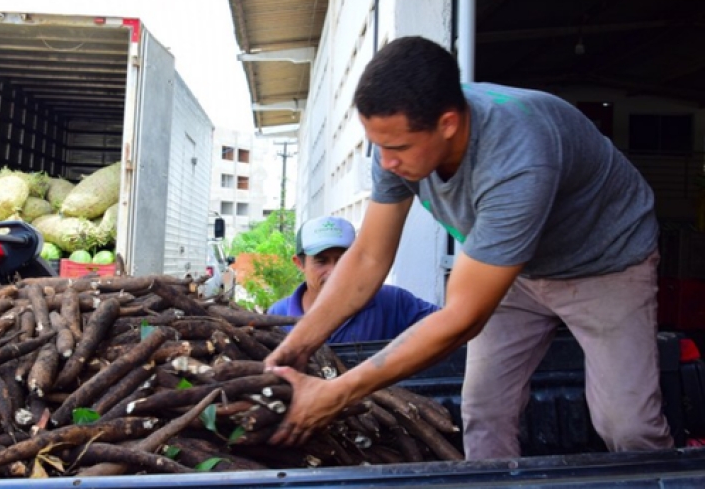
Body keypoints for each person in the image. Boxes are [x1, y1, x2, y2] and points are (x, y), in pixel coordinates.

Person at [264, 35, 673, 460]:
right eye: (377, 145)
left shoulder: (519, 158)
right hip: (512, 268)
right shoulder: (396, 141)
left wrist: (338, 392)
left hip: (605, 261)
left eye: (398, 147)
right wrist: (294, 349)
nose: (385, 163)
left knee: (627, 425)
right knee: (483, 410)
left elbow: (463, 317)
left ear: (448, 124)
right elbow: (367, 258)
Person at [267, 215, 439, 343]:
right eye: (321, 261)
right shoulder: (278, 316)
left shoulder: (393, 303)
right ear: (300, 263)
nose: (334, 272)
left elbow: (451, 324)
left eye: (343, 260)